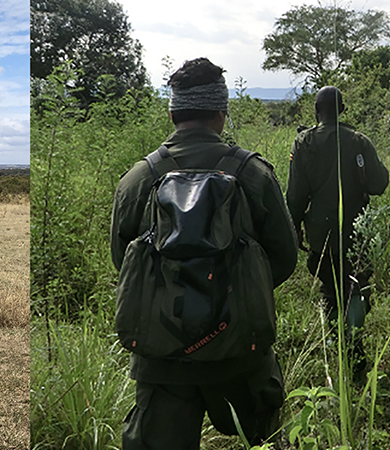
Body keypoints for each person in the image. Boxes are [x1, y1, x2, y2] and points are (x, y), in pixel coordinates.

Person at [110, 57, 299, 449]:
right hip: (242, 354)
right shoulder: (253, 174)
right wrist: (233, 300)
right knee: (263, 441)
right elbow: (283, 259)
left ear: (172, 111)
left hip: (162, 362)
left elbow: (123, 262)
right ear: (221, 113)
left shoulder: (138, 179)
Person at [286, 86, 389, 362]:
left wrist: (294, 227)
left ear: (316, 110)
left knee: (331, 290)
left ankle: (337, 343)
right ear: (343, 110)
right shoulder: (359, 141)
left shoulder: (304, 143)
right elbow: (380, 184)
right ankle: (353, 345)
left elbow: (295, 195)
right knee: (357, 285)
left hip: (322, 233)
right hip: (358, 232)